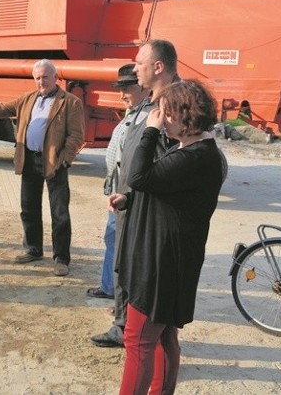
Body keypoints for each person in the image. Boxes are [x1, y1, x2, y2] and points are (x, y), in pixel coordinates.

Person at [112, 79, 225, 394]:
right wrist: (130, 200)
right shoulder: (193, 151)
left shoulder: (196, 156)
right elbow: (167, 192)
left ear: (184, 115)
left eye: (165, 113)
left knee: (138, 340)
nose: (160, 118)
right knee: (162, 336)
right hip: (171, 260)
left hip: (162, 265)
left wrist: (149, 130)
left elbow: (139, 176)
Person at [0, 59, 84, 276]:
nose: (41, 81)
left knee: (59, 212)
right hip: (29, 160)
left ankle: (61, 258)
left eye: (45, 77)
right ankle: (33, 249)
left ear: (55, 77)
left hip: (54, 162)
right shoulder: (28, 99)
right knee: (28, 208)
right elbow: (1, 108)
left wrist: (65, 158)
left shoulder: (70, 102)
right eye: (37, 78)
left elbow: (76, 135)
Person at [91, 39, 180, 347]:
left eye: (140, 63)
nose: (136, 67)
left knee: (142, 273)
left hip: (149, 208)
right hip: (130, 200)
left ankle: (136, 333)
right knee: (123, 265)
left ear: (158, 67)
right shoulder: (148, 102)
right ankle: (124, 324)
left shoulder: (176, 105)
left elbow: (177, 161)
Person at [86, 64, 150, 300]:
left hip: (128, 196)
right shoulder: (133, 114)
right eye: (120, 89)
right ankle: (109, 287)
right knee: (112, 239)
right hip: (118, 193)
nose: (122, 95)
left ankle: (117, 292)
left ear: (142, 88)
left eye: (127, 88)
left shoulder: (144, 117)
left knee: (120, 244)